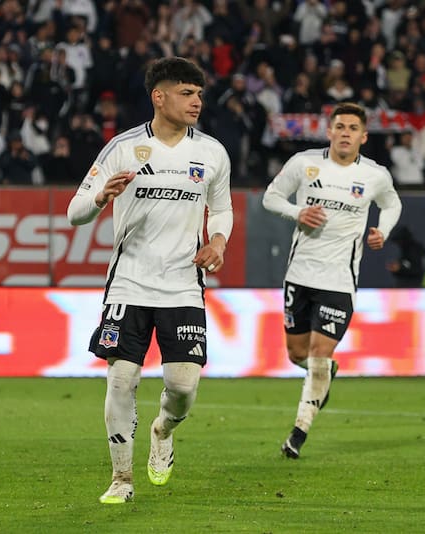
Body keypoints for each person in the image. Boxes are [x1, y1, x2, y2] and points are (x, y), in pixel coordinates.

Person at [66, 57, 233, 503]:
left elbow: (223, 208)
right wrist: (101, 197)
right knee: (121, 381)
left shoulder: (212, 152)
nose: (197, 101)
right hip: (130, 282)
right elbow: (74, 210)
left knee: (182, 387)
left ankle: (163, 429)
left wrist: (217, 240)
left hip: (182, 283)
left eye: (199, 94)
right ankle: (121, 479)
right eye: (186, 93)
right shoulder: (122, 147)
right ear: (159, 97)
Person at [262, 102, 403, 458]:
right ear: (329, 132)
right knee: (297, 354)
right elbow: (270, 197)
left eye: (352, 128)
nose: (345, 133)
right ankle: (325, 373)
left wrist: (382, 232)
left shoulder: (375, 175)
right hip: (300, 275)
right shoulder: (305, 164)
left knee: (319, 353)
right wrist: (298, 211)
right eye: (339, 127)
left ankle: (298, 432)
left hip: (340, 281)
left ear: (363, 136)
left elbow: (392, 204)